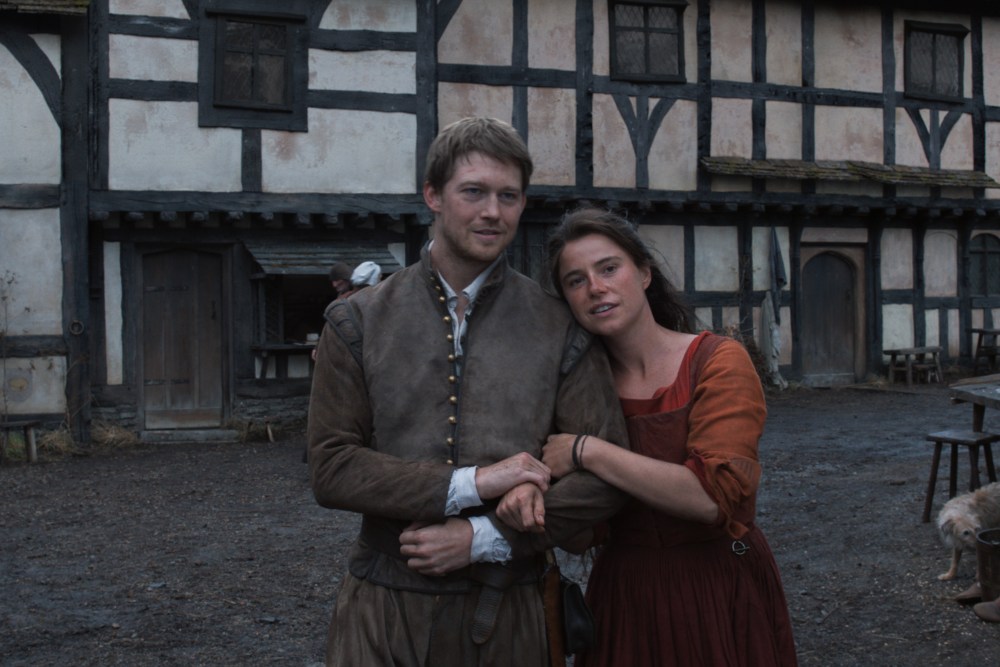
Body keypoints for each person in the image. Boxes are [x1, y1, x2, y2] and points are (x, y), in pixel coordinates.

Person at [307, 118, 628, 666]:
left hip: (510, 612)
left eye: (509, 196)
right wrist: (473, 483)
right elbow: (332, 466)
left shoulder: (559, 325)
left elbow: (607, 476)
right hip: (381, 613)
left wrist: (485, 537)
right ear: (433, 195)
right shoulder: (356, 320)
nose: (493, 212)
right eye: (474, 192)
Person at [536, 208, 798, 666]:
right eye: (575, 280)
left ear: (644, 273)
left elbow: (711, 499)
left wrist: (585, 451)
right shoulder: (576, 391)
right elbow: (580, 536)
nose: (595, 287)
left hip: (715, 586)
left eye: (609, 268)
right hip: (625, 596)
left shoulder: (717, 361)